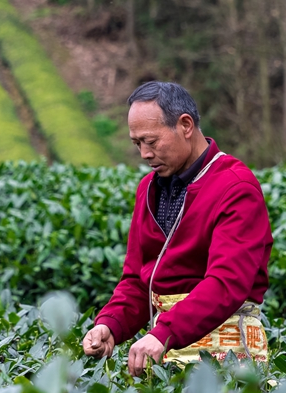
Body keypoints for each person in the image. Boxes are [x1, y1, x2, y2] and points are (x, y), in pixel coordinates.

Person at [81, 81, 274, 377]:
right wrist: (110, 324)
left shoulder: (236, 187)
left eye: (151, 141)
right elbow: (138, 280)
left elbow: (226, 283)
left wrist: (164, 332)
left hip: (228, 356)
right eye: (137, 144)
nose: (144, 153)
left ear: (185, 125)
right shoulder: (148, 189)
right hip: (161, 350)